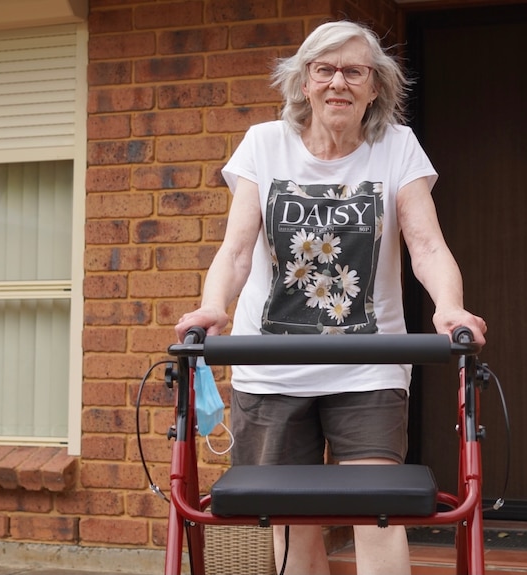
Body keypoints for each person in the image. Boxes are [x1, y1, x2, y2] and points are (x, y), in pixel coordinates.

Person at [175, 19, 486, 575]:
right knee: (293, 526)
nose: (338, 82)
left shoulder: (396, 147)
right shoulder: (263, 145)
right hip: (269, 369)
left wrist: (449, 308)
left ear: (375, 86)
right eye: (324, 70)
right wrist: (213, 306)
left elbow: (426, 245)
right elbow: (238, 249)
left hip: (368, 370)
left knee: (378, 512)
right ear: (303, 82)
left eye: (354, 71)